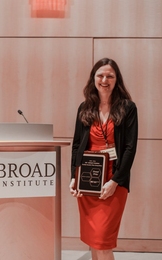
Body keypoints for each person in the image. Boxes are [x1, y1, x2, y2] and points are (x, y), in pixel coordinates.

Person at [69, 58, 138, 260]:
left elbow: (130, 147)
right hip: (88, 178)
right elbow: (76, 145)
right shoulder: (85, 107)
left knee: (103, 242)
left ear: (117, 79)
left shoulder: (127, 107)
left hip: (114, 178)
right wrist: (74, 176)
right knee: (93, 242)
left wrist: (115, 181)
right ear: (93, 79)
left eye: (110, 75)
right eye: (100, 75)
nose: (104, 79)